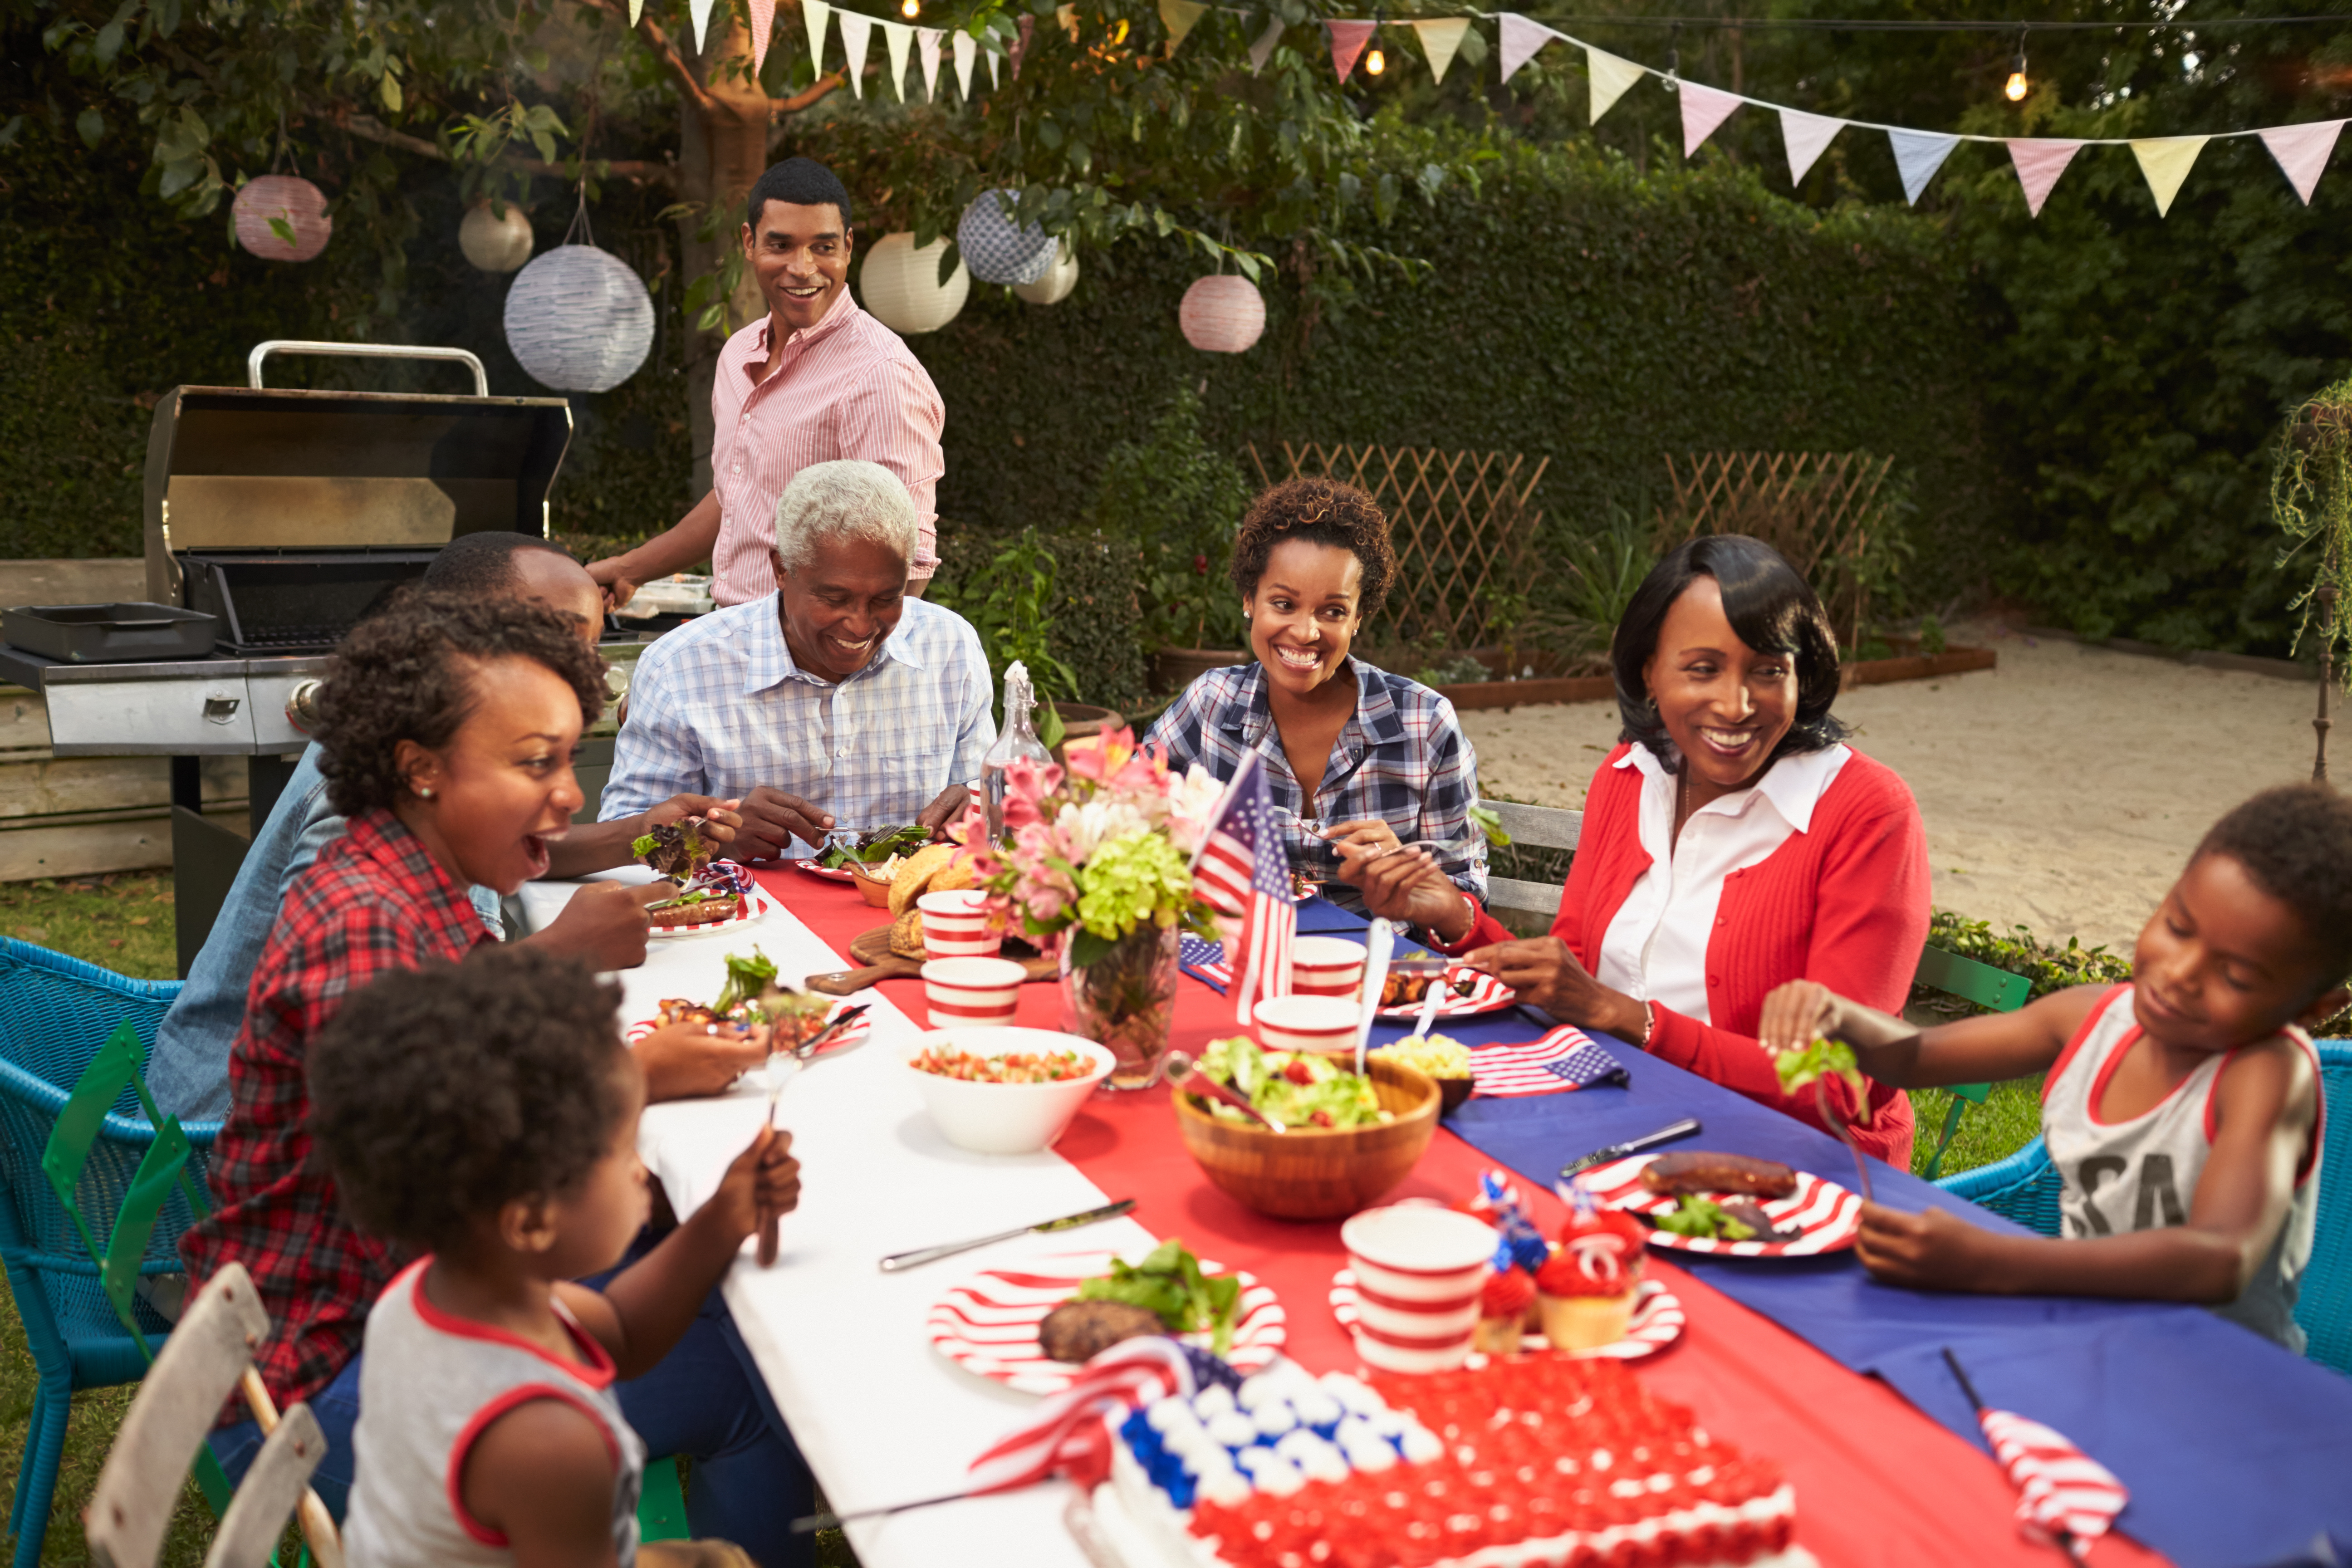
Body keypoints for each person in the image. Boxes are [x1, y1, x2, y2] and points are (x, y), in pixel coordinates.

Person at [180, 591, 802, 1554]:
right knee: (763, 1378)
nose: (570, 794)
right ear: (422, 770)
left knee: (710, 1297)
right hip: (323, 1380)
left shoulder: (404, 876)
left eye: (566, 758)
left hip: (367, 1318)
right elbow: (468, 1159)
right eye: (536, 763)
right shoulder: (364, 925)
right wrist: (634, 1082)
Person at [147, 532, 743, 1122]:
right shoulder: (357, 826)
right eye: (556, 646)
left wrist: (638, 835)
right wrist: (558, 958)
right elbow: (353, 1061)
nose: (581, 677)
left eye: (587, 653)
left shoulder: (434, 758)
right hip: (220, 1126)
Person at [1759, 783, 2348, 1350]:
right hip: (2089, 1334)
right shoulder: (2089, 1017)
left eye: (2236, 976)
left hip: (2219, 1374)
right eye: (2178, 927)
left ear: (2317, 1009)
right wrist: (1836, 1012)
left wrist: (1994, 1261)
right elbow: (1914, 1058)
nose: (2180, 973)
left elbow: (2221, 1258)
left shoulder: (2266, 1075)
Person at [1455, 534, 1930, 1165]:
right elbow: (1571, 972)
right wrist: (1458, 922)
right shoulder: (1630, 774)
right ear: (1649, 671)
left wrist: (1631, 1019)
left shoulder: (1866, 813)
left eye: (1768, 670)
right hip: (1617, 1115)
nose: (1736, 706)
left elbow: (1837, 1083)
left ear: (1804, 673)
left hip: (1795, 1164)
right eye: (1703, 668)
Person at [317, 946, 797, 1568]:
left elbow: (619, 1332)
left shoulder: (423, 1299)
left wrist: (722, 1219)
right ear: (534, 1220)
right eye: (627, 1151)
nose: (641, 1173)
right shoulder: (549, 1442)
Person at [585, 157, 945, 610]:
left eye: (823, 247)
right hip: (731, 637)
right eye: (782, 245)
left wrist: (816, 666)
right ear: (749, 243)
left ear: (848, 248)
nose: (803, 267)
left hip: (812, 667)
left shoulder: (881, 375)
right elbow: (738, 496)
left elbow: (905, 564)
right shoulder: (737, 356)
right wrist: (628, 570)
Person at [1141, 478, 1488, 945]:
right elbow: (1128, 814)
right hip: (1229, 963)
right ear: (1249, 600)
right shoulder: (1211, 703)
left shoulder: (1424, 725)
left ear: (1359, 617)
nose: (1305, 632)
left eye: (1333, 612)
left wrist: (1412, 883)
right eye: (1283, 604)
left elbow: (1467, 897)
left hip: (1374, 983)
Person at [599, 460, 994, 861]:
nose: (860, 626)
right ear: (782, 569)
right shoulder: (680, 667)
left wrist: (980, 809)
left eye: (886, 599)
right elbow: (623, 839)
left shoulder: (950, 648)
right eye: (835, 599)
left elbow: (989, 808)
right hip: (750, 923)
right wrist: (715, 837)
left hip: (904, 920)